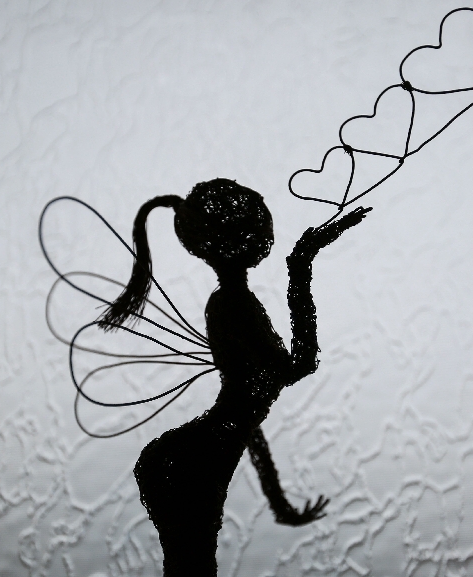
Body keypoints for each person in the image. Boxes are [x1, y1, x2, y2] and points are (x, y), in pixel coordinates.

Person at [98, 178, 369, 576]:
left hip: (180, 458)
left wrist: (279, 504)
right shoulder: (233, 304)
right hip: (186, 463)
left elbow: (246, 420)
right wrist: (300, 265)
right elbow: (296, 367)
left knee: (190, 565)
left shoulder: (224, 302)